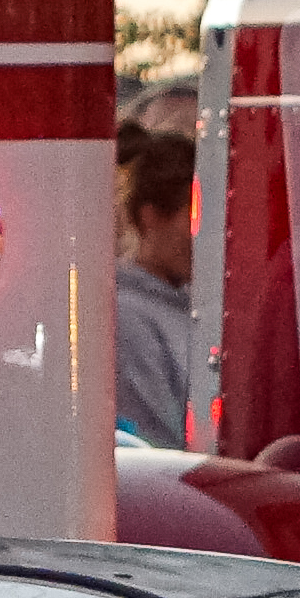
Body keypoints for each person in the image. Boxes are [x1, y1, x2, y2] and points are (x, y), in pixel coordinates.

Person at [112, 110, 204, 450]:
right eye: (191, 219)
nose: (203, 237)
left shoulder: (190, 306)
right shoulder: (128, 317)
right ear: (151, 217)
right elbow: (158, 437)